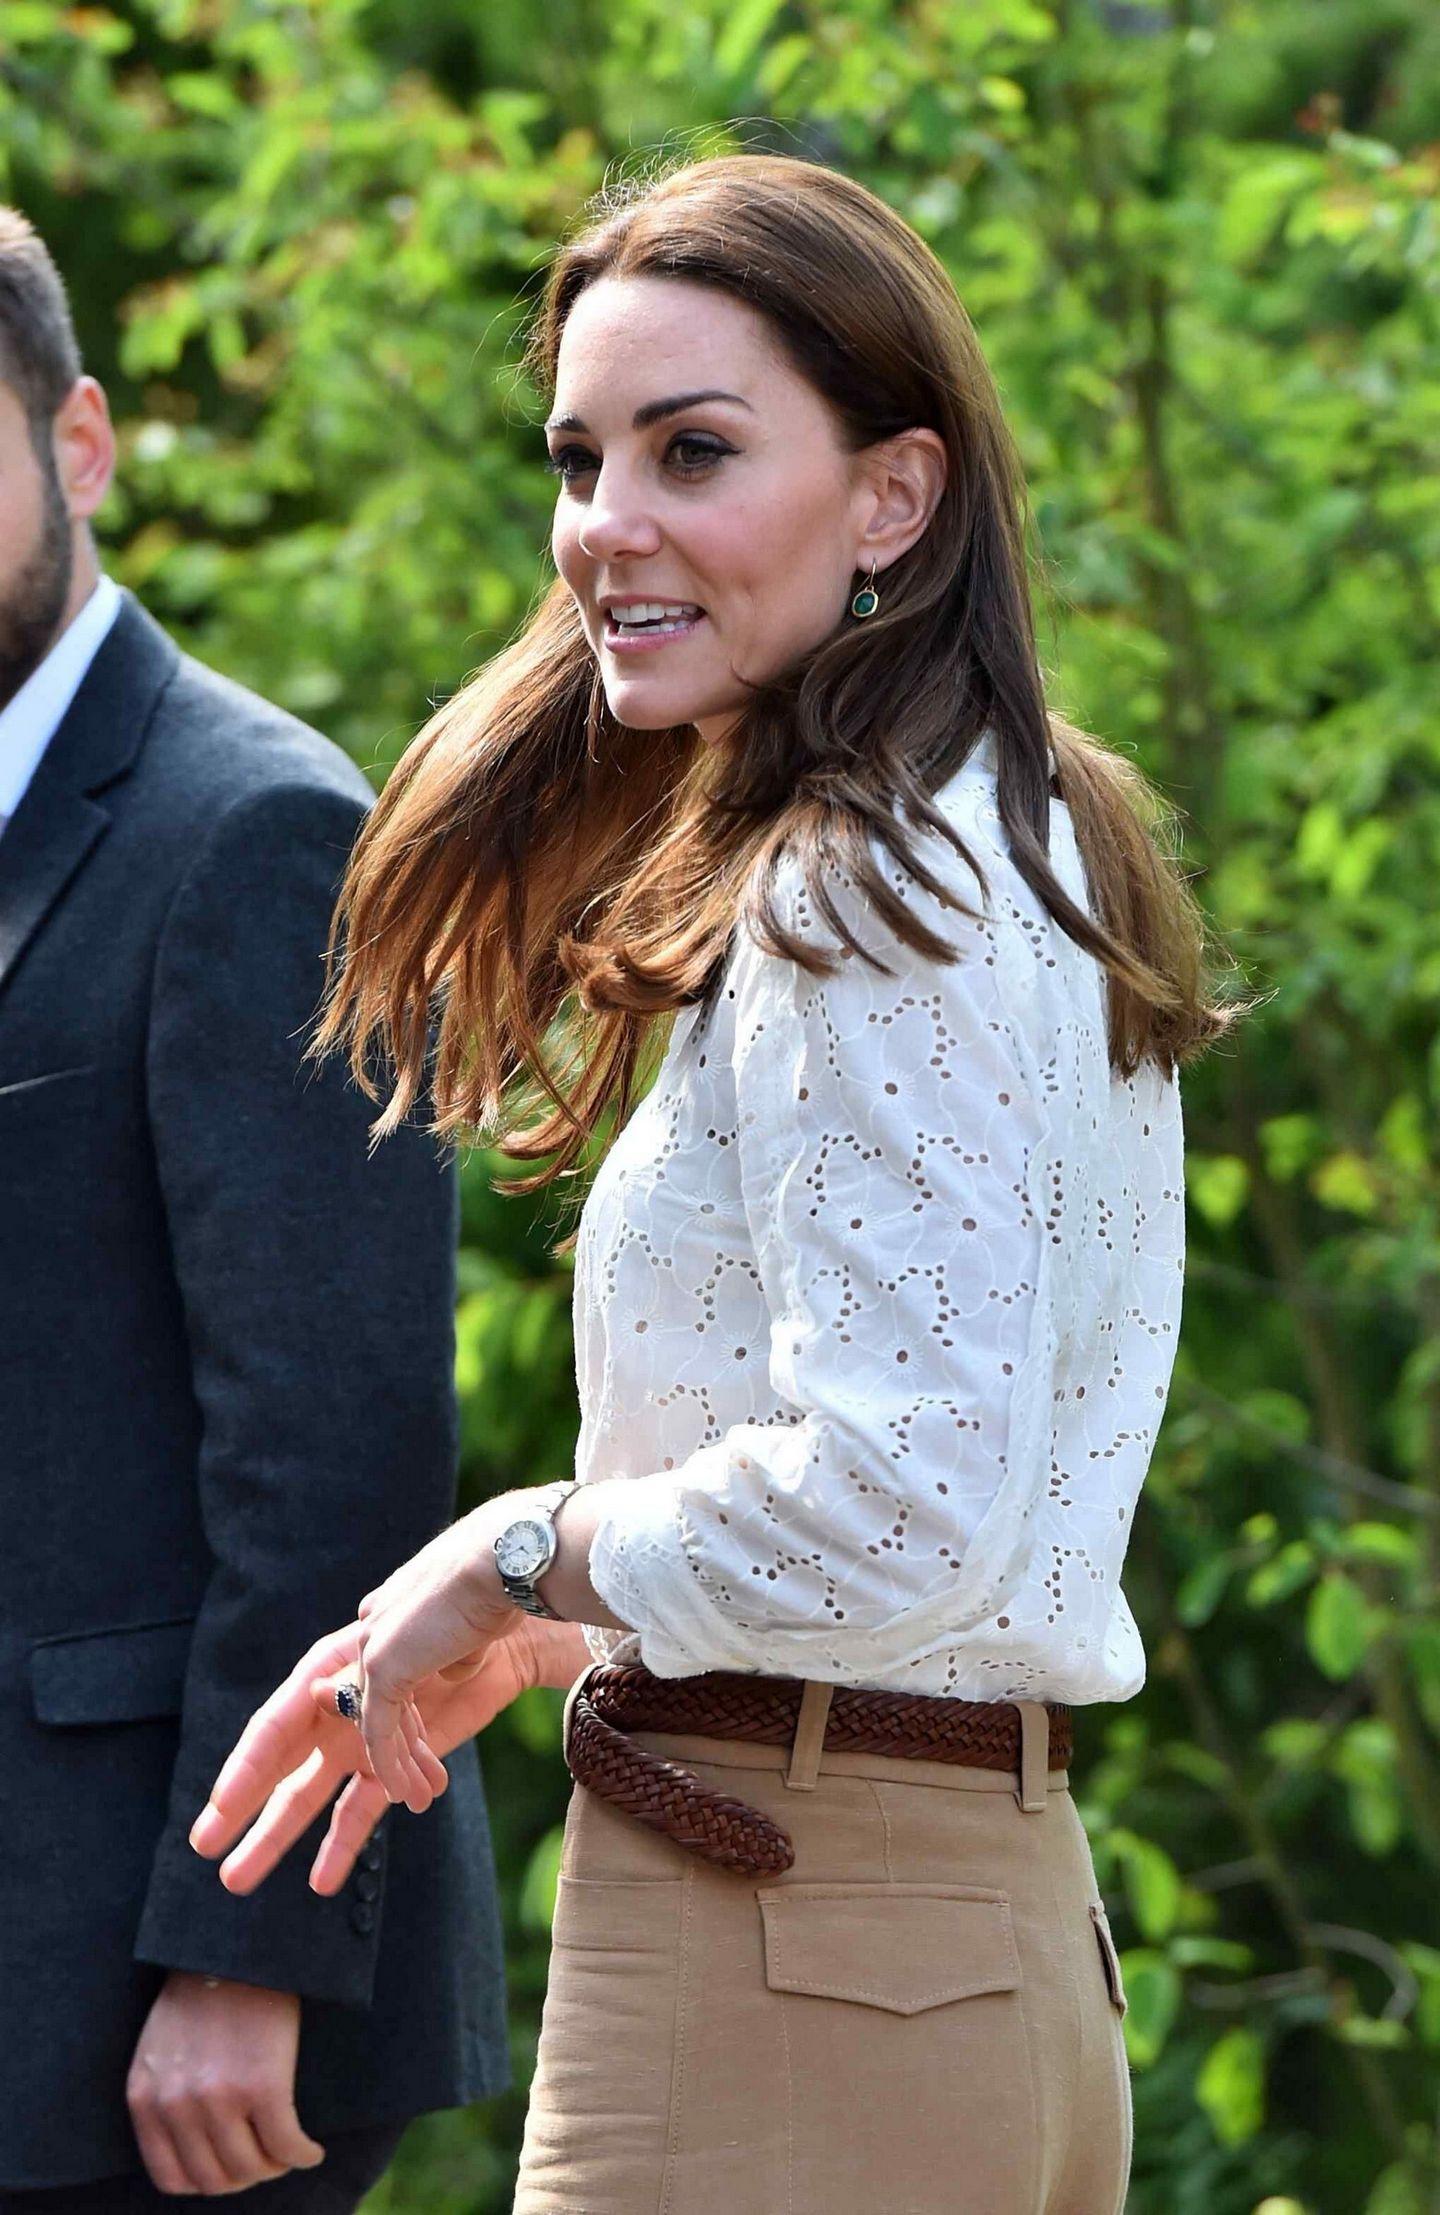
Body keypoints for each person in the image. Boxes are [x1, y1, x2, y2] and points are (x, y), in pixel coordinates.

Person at [191, 153, 1245, 2213]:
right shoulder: (1010, 834)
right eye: (579, 459)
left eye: (694, 450)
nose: (606, 527)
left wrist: (514, 1556)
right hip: (964, 1948)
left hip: (798, 1949)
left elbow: (907, 1496)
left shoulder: (874, 883)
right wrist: (595, 1617)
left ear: (893, 497)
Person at [0, 208, 510, 2210]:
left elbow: (341, 1446)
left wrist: (249, 1949)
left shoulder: (258, 828)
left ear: (84, 441)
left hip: (157, 1995)